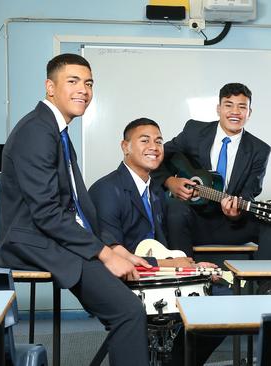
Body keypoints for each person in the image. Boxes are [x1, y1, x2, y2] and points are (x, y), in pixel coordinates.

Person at [0, 53, 150, 365]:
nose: (84, 89)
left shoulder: (57, 132)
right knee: (129, 311)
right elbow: (46, 213)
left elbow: (79, 208)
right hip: (35, 240)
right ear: (49, 87)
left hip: (55, 236)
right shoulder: (37, 131)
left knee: (132, 299)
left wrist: (112, 247)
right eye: (73, 81)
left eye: (89, 83)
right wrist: (104, 255)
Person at [89, 117, 222, 365]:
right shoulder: (106, 189)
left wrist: (194, 267)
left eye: (159, 140)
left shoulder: (157, 192)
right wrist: (172, 265)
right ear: (125, 146)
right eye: (145, 140)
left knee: (221, 308)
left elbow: (164, 248)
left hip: (156, 276)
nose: (154, 146)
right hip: (125, 281)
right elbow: (114, 255)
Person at [152, 83, 271, 288]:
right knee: (175, 208)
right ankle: (186, 283)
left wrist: (237, 212)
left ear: (249, 112)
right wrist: (170, 181)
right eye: (228, 105)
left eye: (242, 107)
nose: (235, 112)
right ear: (218, 108)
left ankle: (267, 289)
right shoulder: (194, 131)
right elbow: (158, 156)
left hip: (231, 223)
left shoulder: (260, 149)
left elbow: (250, 191)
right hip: (194, 220)